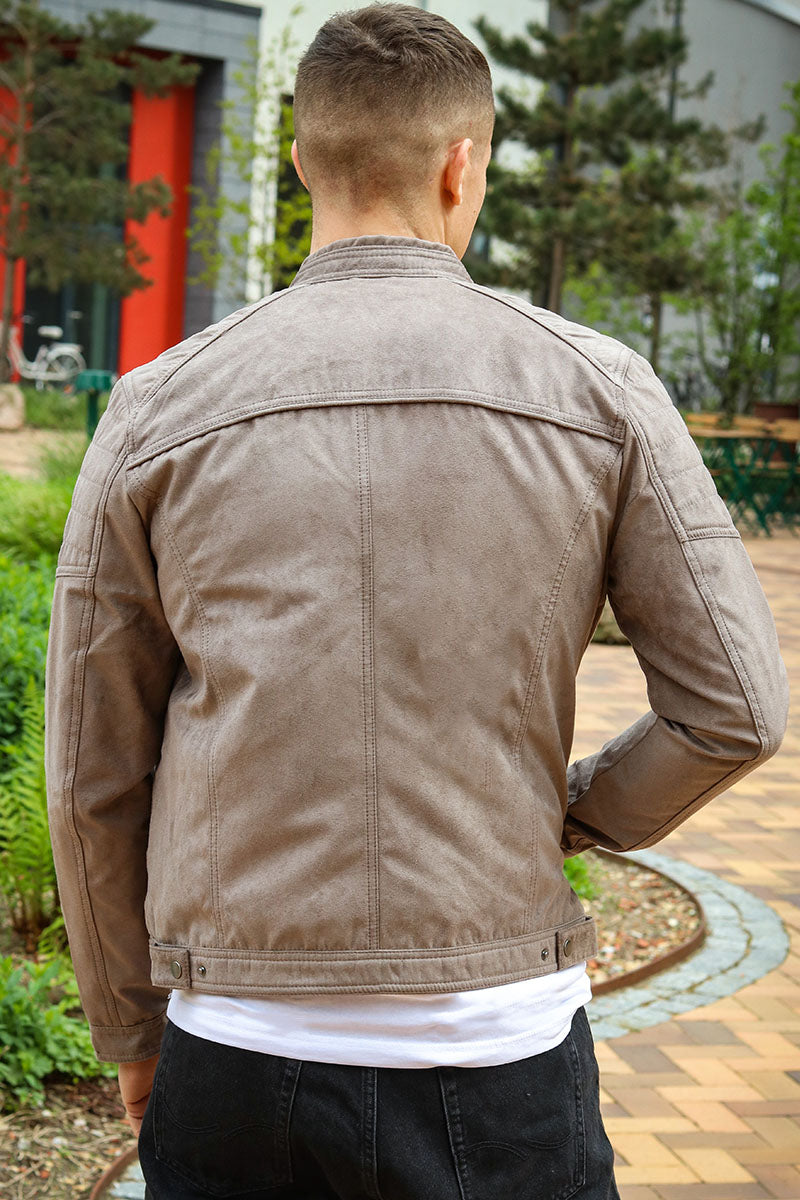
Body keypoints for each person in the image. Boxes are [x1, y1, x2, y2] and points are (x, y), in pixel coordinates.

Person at [45, 6, 788, 1199]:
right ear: (461, 165)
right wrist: (571, 815)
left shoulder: (157, 405)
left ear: (303, 164)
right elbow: (735, 709)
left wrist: (130, 1026)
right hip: (498, 1046)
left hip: (238, 1043)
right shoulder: (600, 391)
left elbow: (93, 769)